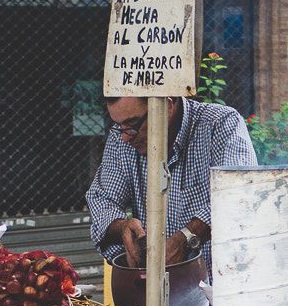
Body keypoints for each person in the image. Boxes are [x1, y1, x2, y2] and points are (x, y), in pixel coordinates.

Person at [86, 95, 256, 280]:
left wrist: (186, 239)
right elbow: (102, 199)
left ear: (165, 107)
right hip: (155, 295)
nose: (125, 138)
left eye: (133, 125)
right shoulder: (122, 137)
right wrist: (122, 227)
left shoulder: (220, 124)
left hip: (223, 290)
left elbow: (239, 194)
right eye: (119, 126)